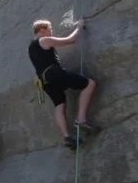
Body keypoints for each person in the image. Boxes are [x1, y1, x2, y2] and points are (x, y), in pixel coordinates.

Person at [28, 19, 98, 149]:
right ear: (43, 30)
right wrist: (78, 27)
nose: (52, 32)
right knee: (90, 84)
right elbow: (70, 40)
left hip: (43, 81)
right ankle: (81, 119)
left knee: (60, 105)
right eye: (50, 29)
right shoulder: (43, 40)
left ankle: (67, 137)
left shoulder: (31, 47)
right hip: (54, 73)